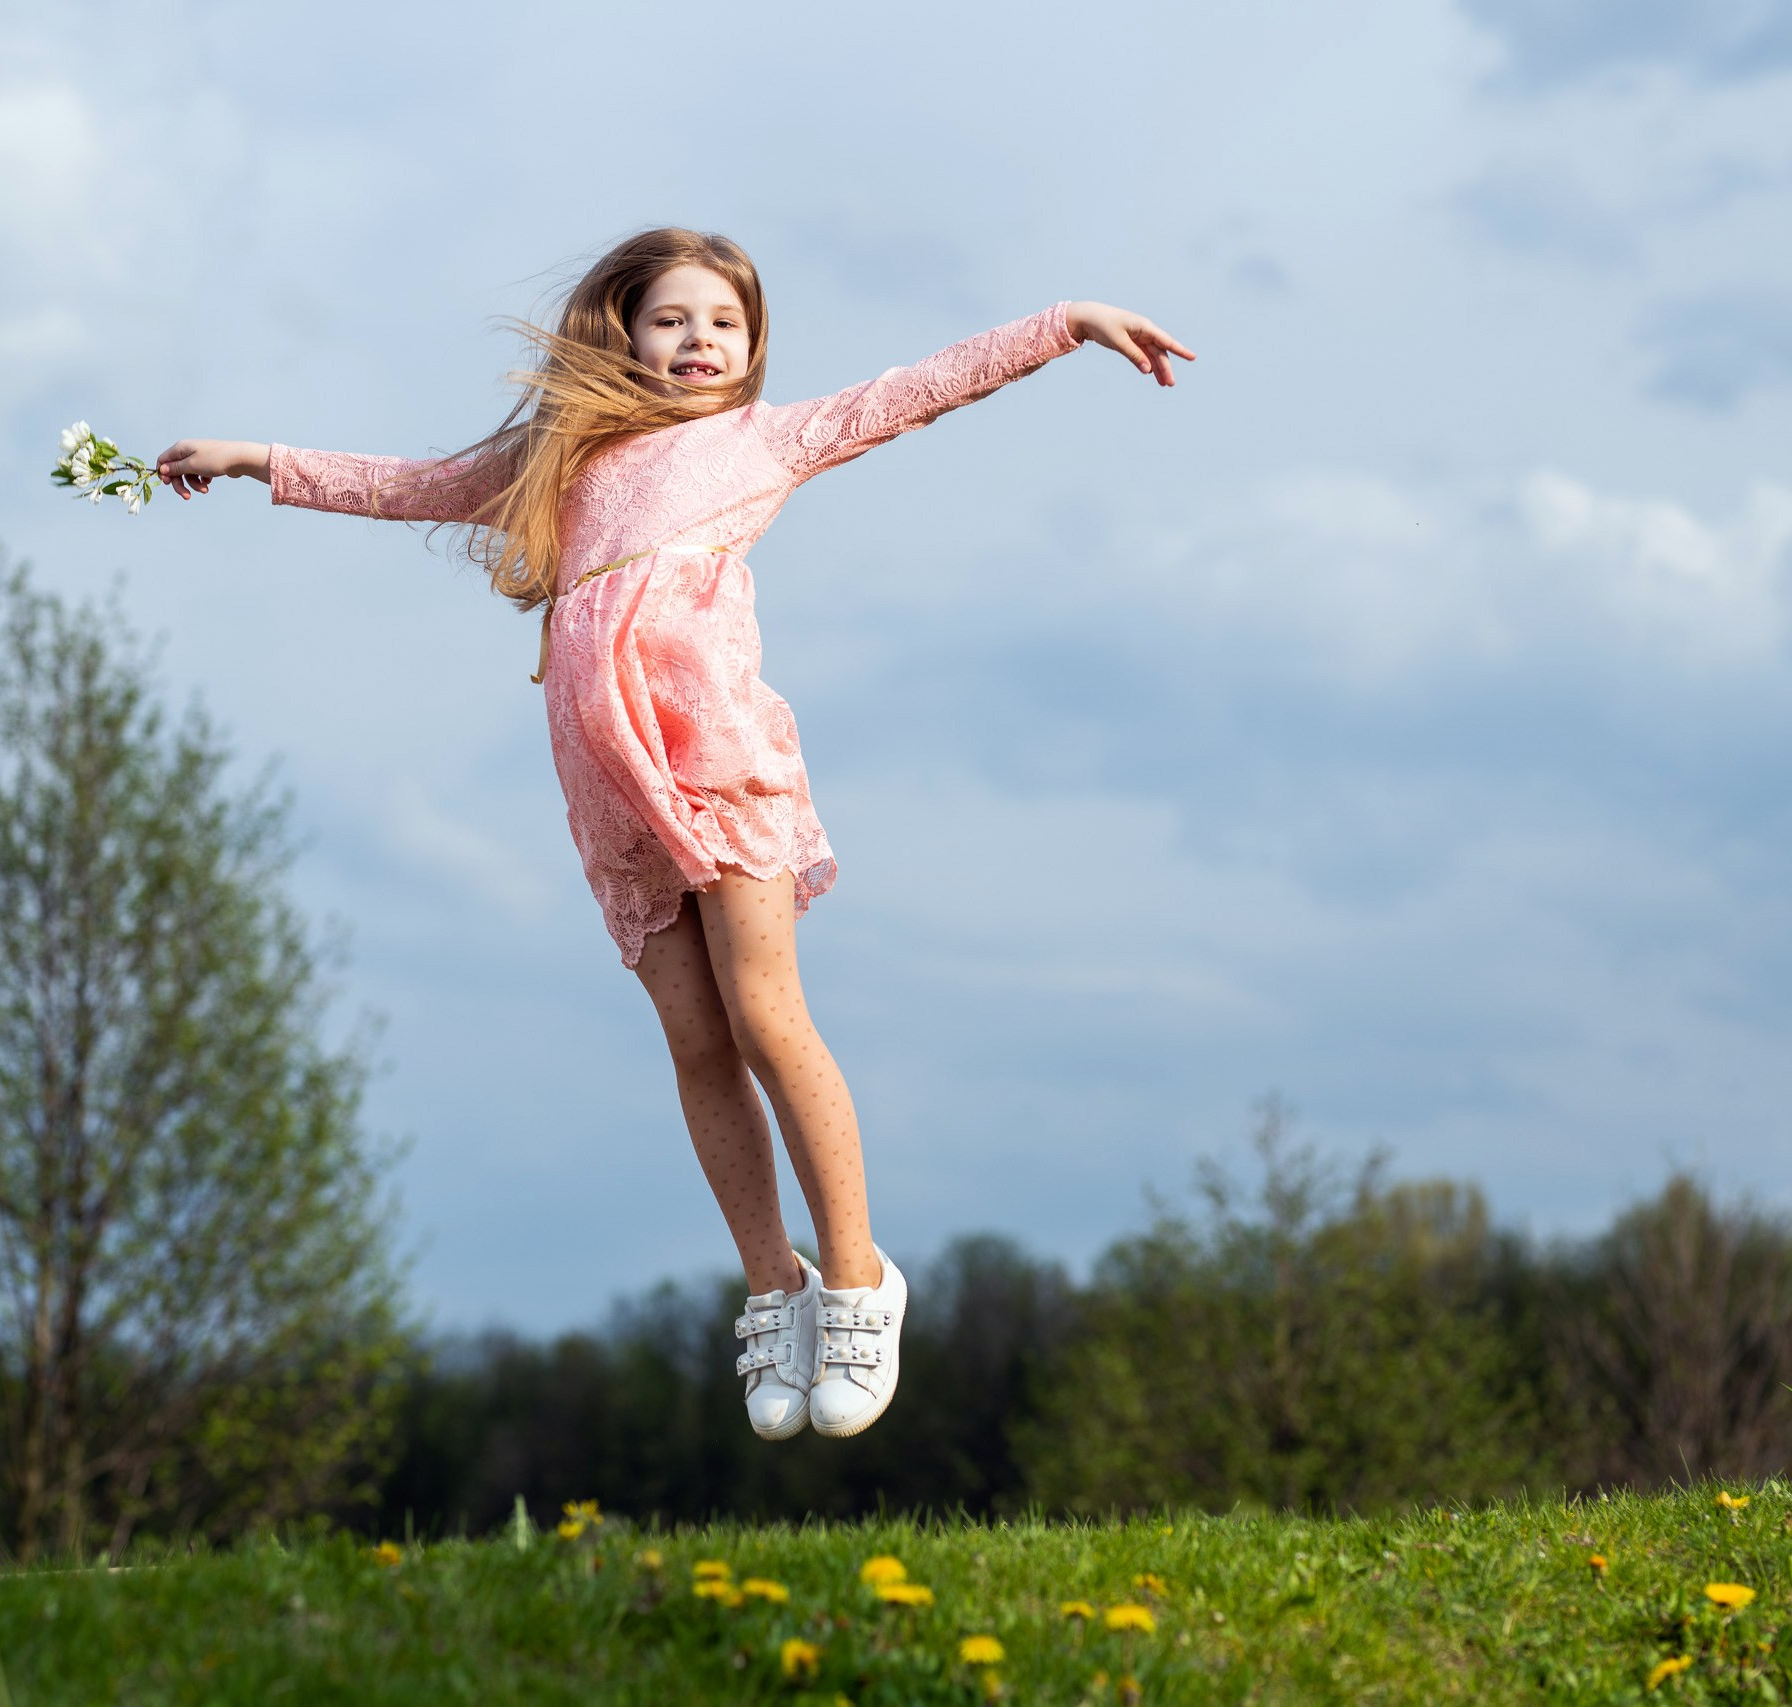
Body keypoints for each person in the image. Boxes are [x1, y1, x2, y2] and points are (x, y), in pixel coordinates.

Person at [155, 228, 1192, 1441]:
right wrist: (251, 459)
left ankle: (856, 1280)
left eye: (725, 325)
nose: (700, 341)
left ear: (751, 351)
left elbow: (915, 388)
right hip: (604, 775)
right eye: (672, 319)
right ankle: (774, 1289)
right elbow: (412, 483)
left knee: (762, 1012)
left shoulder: (760, 441)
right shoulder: (560, 461)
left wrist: (1063, 323)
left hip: (718, 753)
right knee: (696, 1039)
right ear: (622, 330)